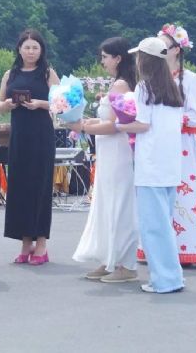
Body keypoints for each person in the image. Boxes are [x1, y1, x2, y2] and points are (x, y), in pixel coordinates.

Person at [67, 37, 138, 283]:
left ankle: (125, 263)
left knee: (118, 204)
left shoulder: (121, 85)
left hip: (118, 151)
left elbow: (117, 125)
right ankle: (111, 259)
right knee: (109, 203)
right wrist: (88, 122)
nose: (102, 61)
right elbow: (110, 121)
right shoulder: (123, 83)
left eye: (105, 57)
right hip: (110, 151)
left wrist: (84, 127)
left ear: (118, 58)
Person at [117, 37, 184, 294]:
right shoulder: (173, 87)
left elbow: (143, 125)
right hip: (169, 164)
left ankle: (164, 279)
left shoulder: (144, 87)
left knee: (153, 227)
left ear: (144, 59)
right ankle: (171, 276)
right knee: (164, 224)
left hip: (151, 164)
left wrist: (119, 125)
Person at [156, 23, 196, 265]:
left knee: (183, 193)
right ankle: (157, 247)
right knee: (157, 193)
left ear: (176, 50)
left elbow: (195, 116)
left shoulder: (190, 78)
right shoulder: (153, 77)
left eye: (164, 45)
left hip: (180, 143)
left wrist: (168, 118)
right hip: (157, 142)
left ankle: (187, 247)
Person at [0, 29, 60, 265]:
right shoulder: (10, 74)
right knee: (20, 187)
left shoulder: (47, 72)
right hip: (19, 135)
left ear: (41, 50)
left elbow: (62, 103)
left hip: (41, 135)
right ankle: (25, 242)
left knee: (40, 187)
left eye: (35, 47)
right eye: (27, 47)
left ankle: (41, 243)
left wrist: (40, 103)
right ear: (19, 49)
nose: (31, 51)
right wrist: (9, 104)